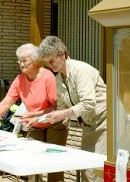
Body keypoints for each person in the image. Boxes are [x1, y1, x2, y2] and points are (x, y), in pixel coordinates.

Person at [0, 43, 69, 182]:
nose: (21, 64)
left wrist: (36, 115)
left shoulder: (48, 77)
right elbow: (6, 102)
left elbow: (57, 107)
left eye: (24, 60)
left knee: (53, 167)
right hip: (35, 125)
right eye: (19, 61)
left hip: (55, 124)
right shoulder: (20, 80)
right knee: (33, 166)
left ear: (36, 60)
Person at [36, 36, 107, 182]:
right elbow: (62, 108)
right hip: (89, 125)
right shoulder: (58, 79)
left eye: (52, 61)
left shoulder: (79, 70)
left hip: (106, 120)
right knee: (86, 170)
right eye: (47, 63)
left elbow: (88, 103)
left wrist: (63, 113)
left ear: (62, 54)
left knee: (97, 171)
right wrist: (47, 118)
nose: (50, 66)